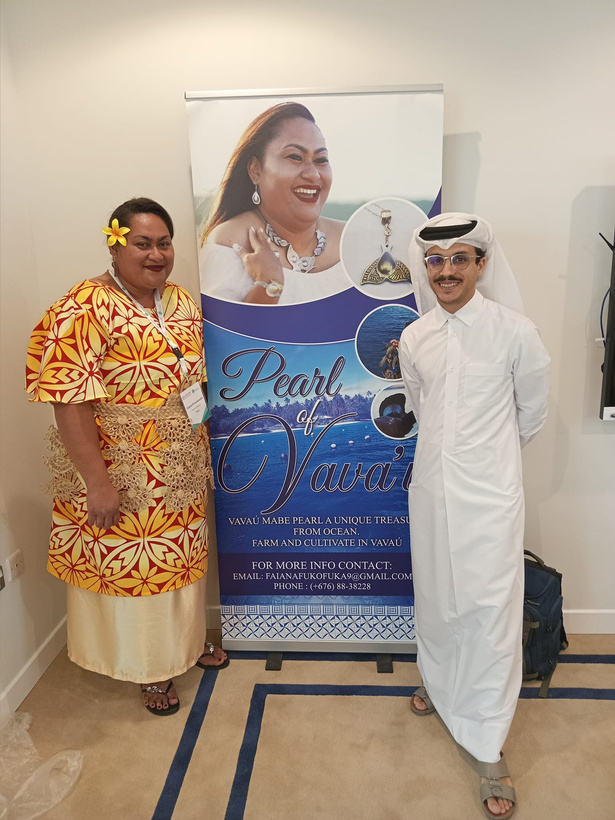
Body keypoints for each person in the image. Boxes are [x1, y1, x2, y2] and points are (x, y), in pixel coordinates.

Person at [26, 197, 228, 716]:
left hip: (179, 463)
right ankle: (150, 668)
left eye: (164, 243)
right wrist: (97, 483)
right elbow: (69, 400)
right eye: (142, 243)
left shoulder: (179, 300)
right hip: (122, 467)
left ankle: (185, 645)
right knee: (137, 566)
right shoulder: (84, 306)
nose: (156, 254)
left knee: (181, 559)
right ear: (115, 246)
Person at [399, 213, 550, 818]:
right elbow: (421, 405)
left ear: (481, 265)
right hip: (432, 492)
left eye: (459, 259)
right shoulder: (416, 337)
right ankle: (440, 685)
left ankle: (487, 743)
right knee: (437, 596)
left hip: (490, 497)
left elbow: (531, 414)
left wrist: (486, 463)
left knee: (489, 611)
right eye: (436, 261)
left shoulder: (516, 332)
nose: (446, 271)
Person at [199, 102, 346, 304]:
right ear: (256, 170)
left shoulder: (354, 240)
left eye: (321, 160)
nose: (313, 174)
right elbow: (223, 325)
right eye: (295, 157)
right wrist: (269, 284)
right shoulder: (230, 243)